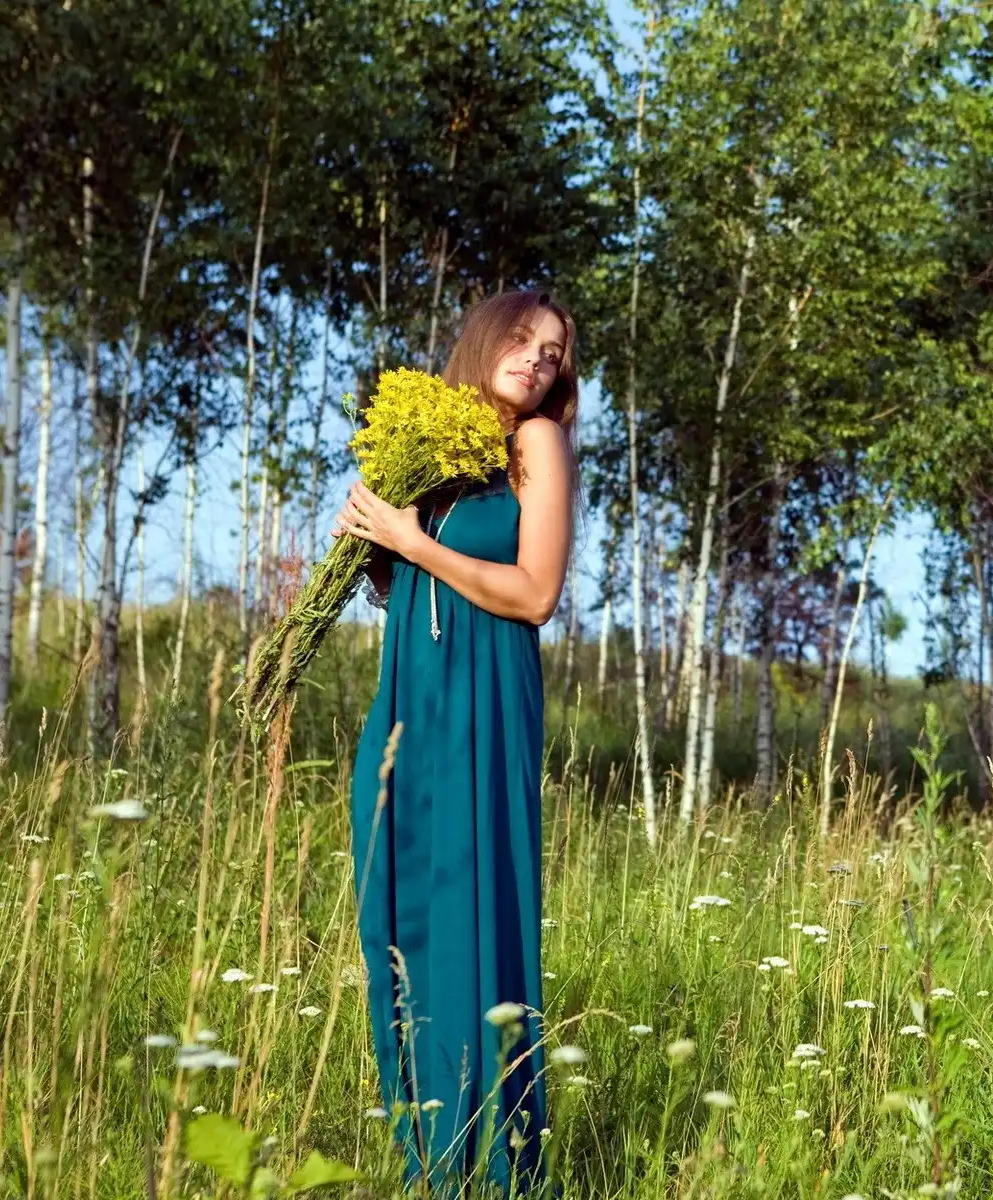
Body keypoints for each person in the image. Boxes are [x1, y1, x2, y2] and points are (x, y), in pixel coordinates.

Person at [332, 288, 576, 1195]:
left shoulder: (535, 444)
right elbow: (405, 593)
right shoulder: (433, 446)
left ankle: (495, 1169)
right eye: (525, 340)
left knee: (475, 914)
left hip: (484, 696)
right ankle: (428, 1160)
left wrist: (408, 539)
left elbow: (533, 594)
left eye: (554, 353)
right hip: (410, 701)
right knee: (397, 917)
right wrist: (368, 548)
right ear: (483, 341)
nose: (540, 360)